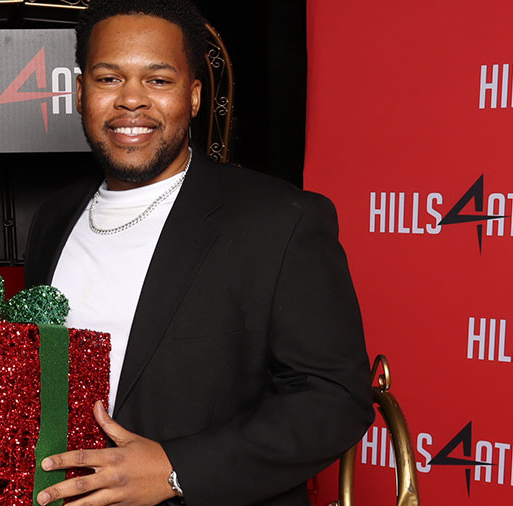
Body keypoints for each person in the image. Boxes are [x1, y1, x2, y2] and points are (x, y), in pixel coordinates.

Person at [23, 1, 374, 504]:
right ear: (80, 93)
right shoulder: (55, 217)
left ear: (192, 97)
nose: (131, 101)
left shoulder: (280, 219)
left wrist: (175, 470)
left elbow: (336, 399)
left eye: (158, 81)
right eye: (108, 79)